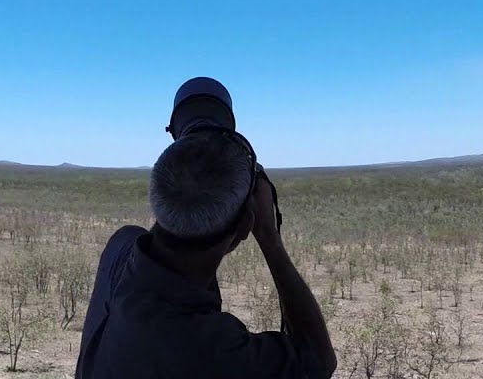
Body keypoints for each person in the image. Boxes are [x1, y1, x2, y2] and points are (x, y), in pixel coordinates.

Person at [74, 127, 337, 378]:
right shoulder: (205, 348)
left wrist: (190, 165)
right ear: (246, 226)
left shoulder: (122, 244)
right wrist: (270, 238)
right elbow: (318, 361)